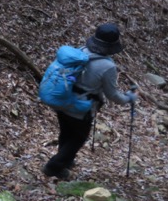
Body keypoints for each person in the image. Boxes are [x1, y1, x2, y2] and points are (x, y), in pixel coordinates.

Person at [42, 23, 136, 180]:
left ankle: (66, 160)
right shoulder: (108, 66)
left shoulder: (81, 51)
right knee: (78, 138)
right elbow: (113, 95)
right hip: (80, 108)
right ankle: (54, 167)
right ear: (112, 46)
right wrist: (129, 98)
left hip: (63, 99)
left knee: (66, 132)